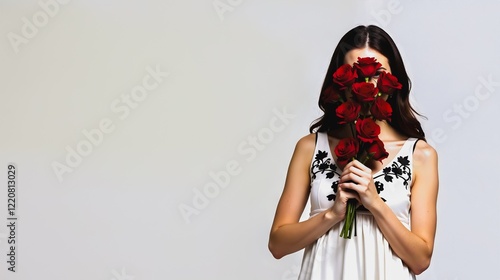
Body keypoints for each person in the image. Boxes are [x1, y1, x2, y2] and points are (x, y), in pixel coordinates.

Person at [268, 25, 439, 279]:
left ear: (394, 81)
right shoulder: (310, 147)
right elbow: (278, 245)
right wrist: (332, 214)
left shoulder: (420, 155)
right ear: (340, 80)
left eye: (377, 73)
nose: (368, 83)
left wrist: (375, 203)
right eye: (355, 73)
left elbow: (420, 260)